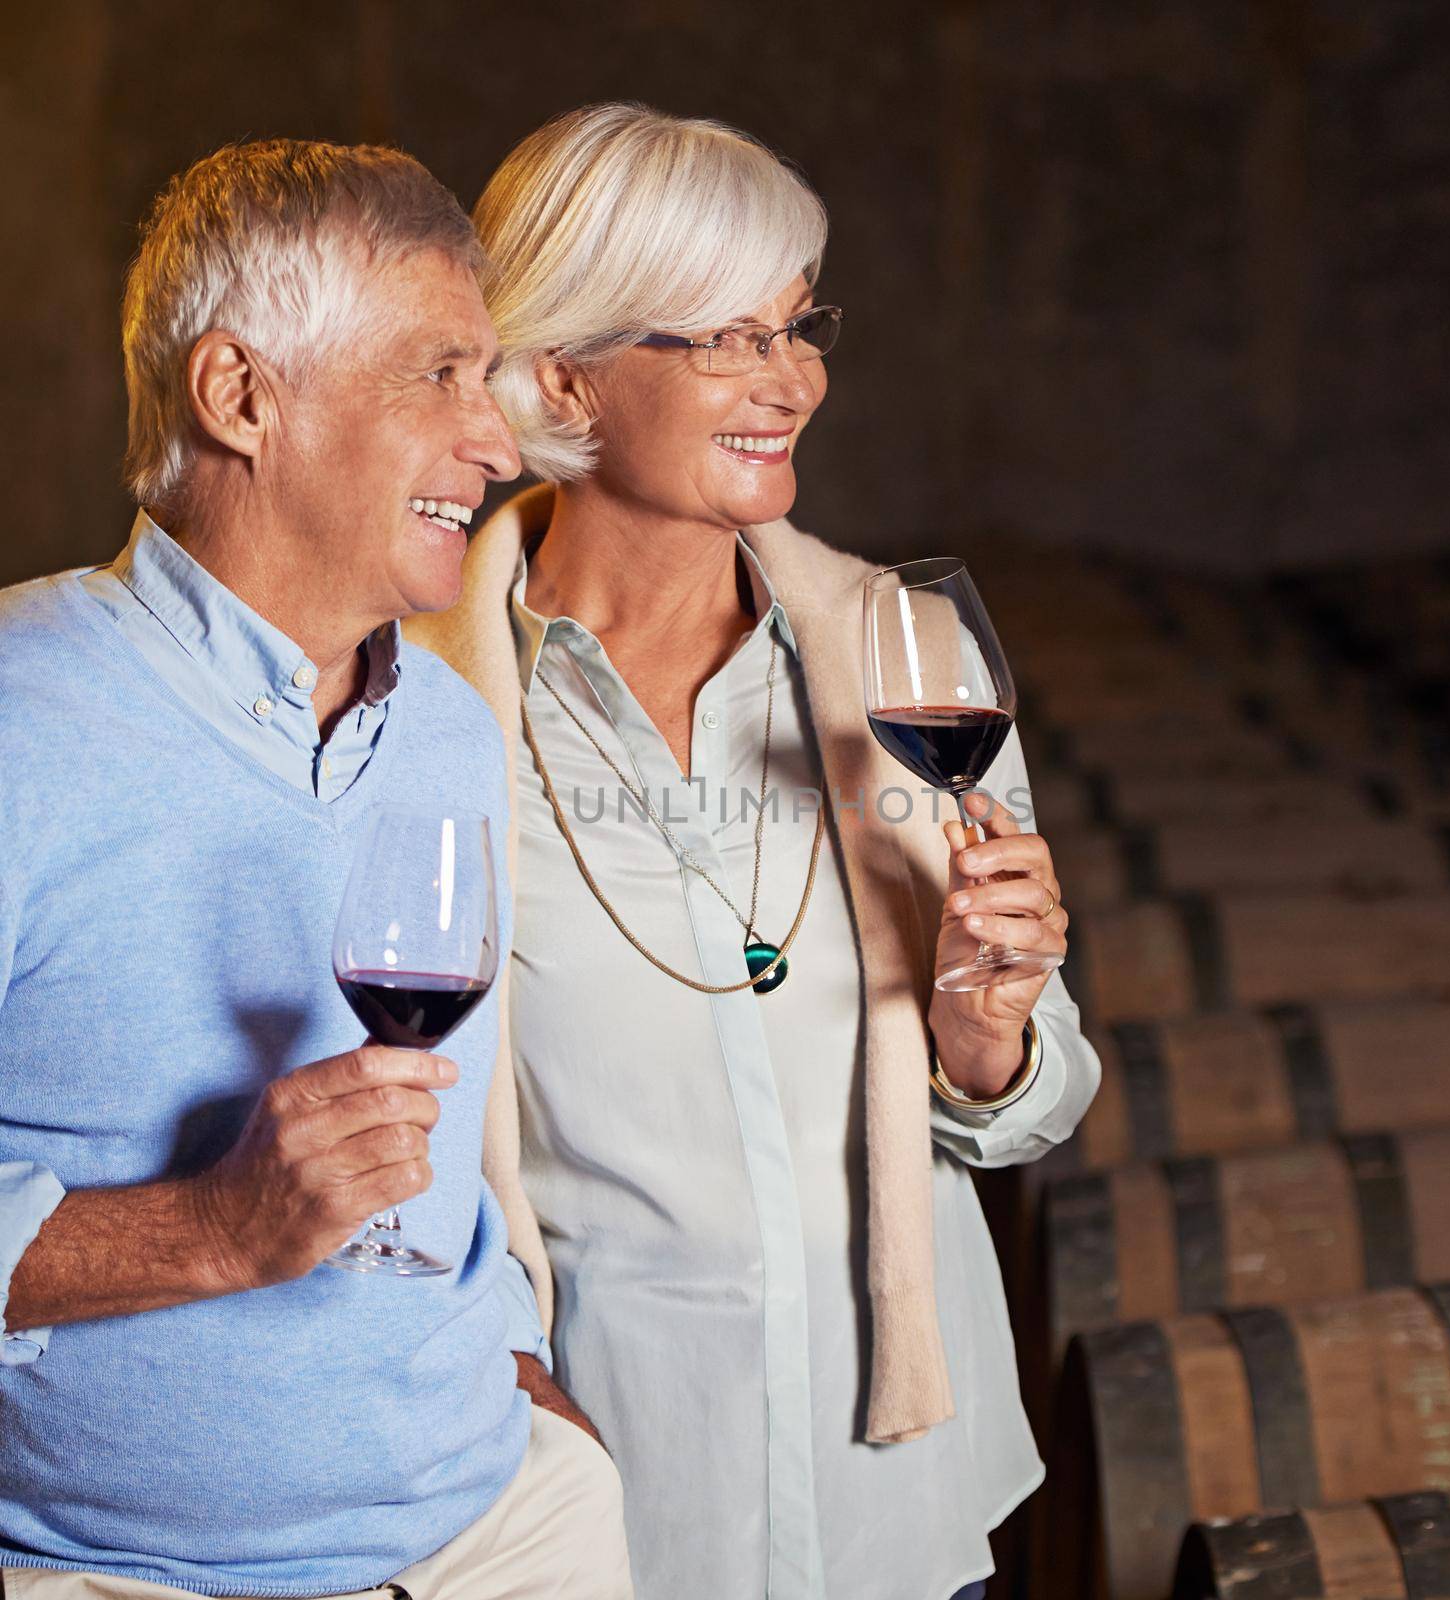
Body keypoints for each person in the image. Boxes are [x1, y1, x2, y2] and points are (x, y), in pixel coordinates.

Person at [406, 103, 1102, 1600]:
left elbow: (1031, 1105)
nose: (794, 381)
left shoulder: (895, 652)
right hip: (609, 1517)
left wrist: (988, 1029)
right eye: (726, 339)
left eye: (797, 328)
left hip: (904, 1512)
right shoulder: (410, 702)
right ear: (563, 372)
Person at [0, 139, 631, 1599]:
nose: (498, 443)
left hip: (506, 1542)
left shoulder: (451, 735)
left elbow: (446, 1149)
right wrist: (209, 1229)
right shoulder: (20, 715)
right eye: (440, 376)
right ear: (241, 397)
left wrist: (519, 1367)